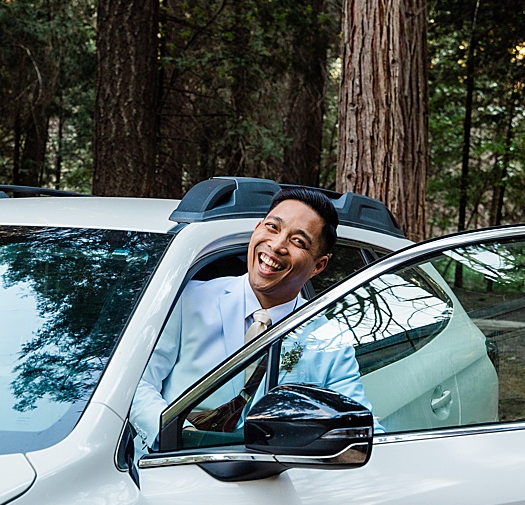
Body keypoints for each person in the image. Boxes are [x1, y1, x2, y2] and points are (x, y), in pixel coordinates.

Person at [131, 187, 370, 451]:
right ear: (257, 228)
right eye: (272, 227)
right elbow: (137, 383)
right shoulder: (187, 299)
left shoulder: (327, 341)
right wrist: (175, 436)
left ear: (318, 266)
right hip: (169, 472)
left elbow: (357, 428)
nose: (277, 245)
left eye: (298, 242)